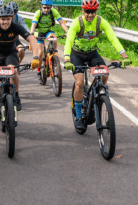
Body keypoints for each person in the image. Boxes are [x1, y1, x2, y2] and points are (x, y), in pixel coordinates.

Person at [64, 0, 132, 129]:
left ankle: (95, 98)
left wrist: (124, 56)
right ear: (82, 10)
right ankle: (78, 115)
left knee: (104, 75)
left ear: (96, 11)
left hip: (92, 53)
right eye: (87, 11)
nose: (90, 15)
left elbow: (113, 38)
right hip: (76, 54)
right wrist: (67, 59)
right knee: (79, 82)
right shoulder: (77, 23)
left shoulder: (101, 22)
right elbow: (68, 41)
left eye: (93, 12)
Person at [0, 5, 40, 126]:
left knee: (13, 72)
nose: (5, 21)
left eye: (8, 19)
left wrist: (35, 57)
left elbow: (32, 39)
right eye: (2, 19)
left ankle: (16, 95)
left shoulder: (16, 27)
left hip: (10, 54)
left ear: (12, 18)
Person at [30, 0, 68, 83]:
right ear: (42, 7)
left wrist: (67, 32)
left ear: (51, 7)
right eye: (44, 8)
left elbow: (61, 22)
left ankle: (53, 54)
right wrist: (32, 34)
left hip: (48, 31)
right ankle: (39, 72)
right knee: (40, 53)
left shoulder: (54, 11)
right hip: (39, 32)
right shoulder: (38, 13)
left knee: (54, 38)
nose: (46, 10)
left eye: (48, 8)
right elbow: (33, 24)